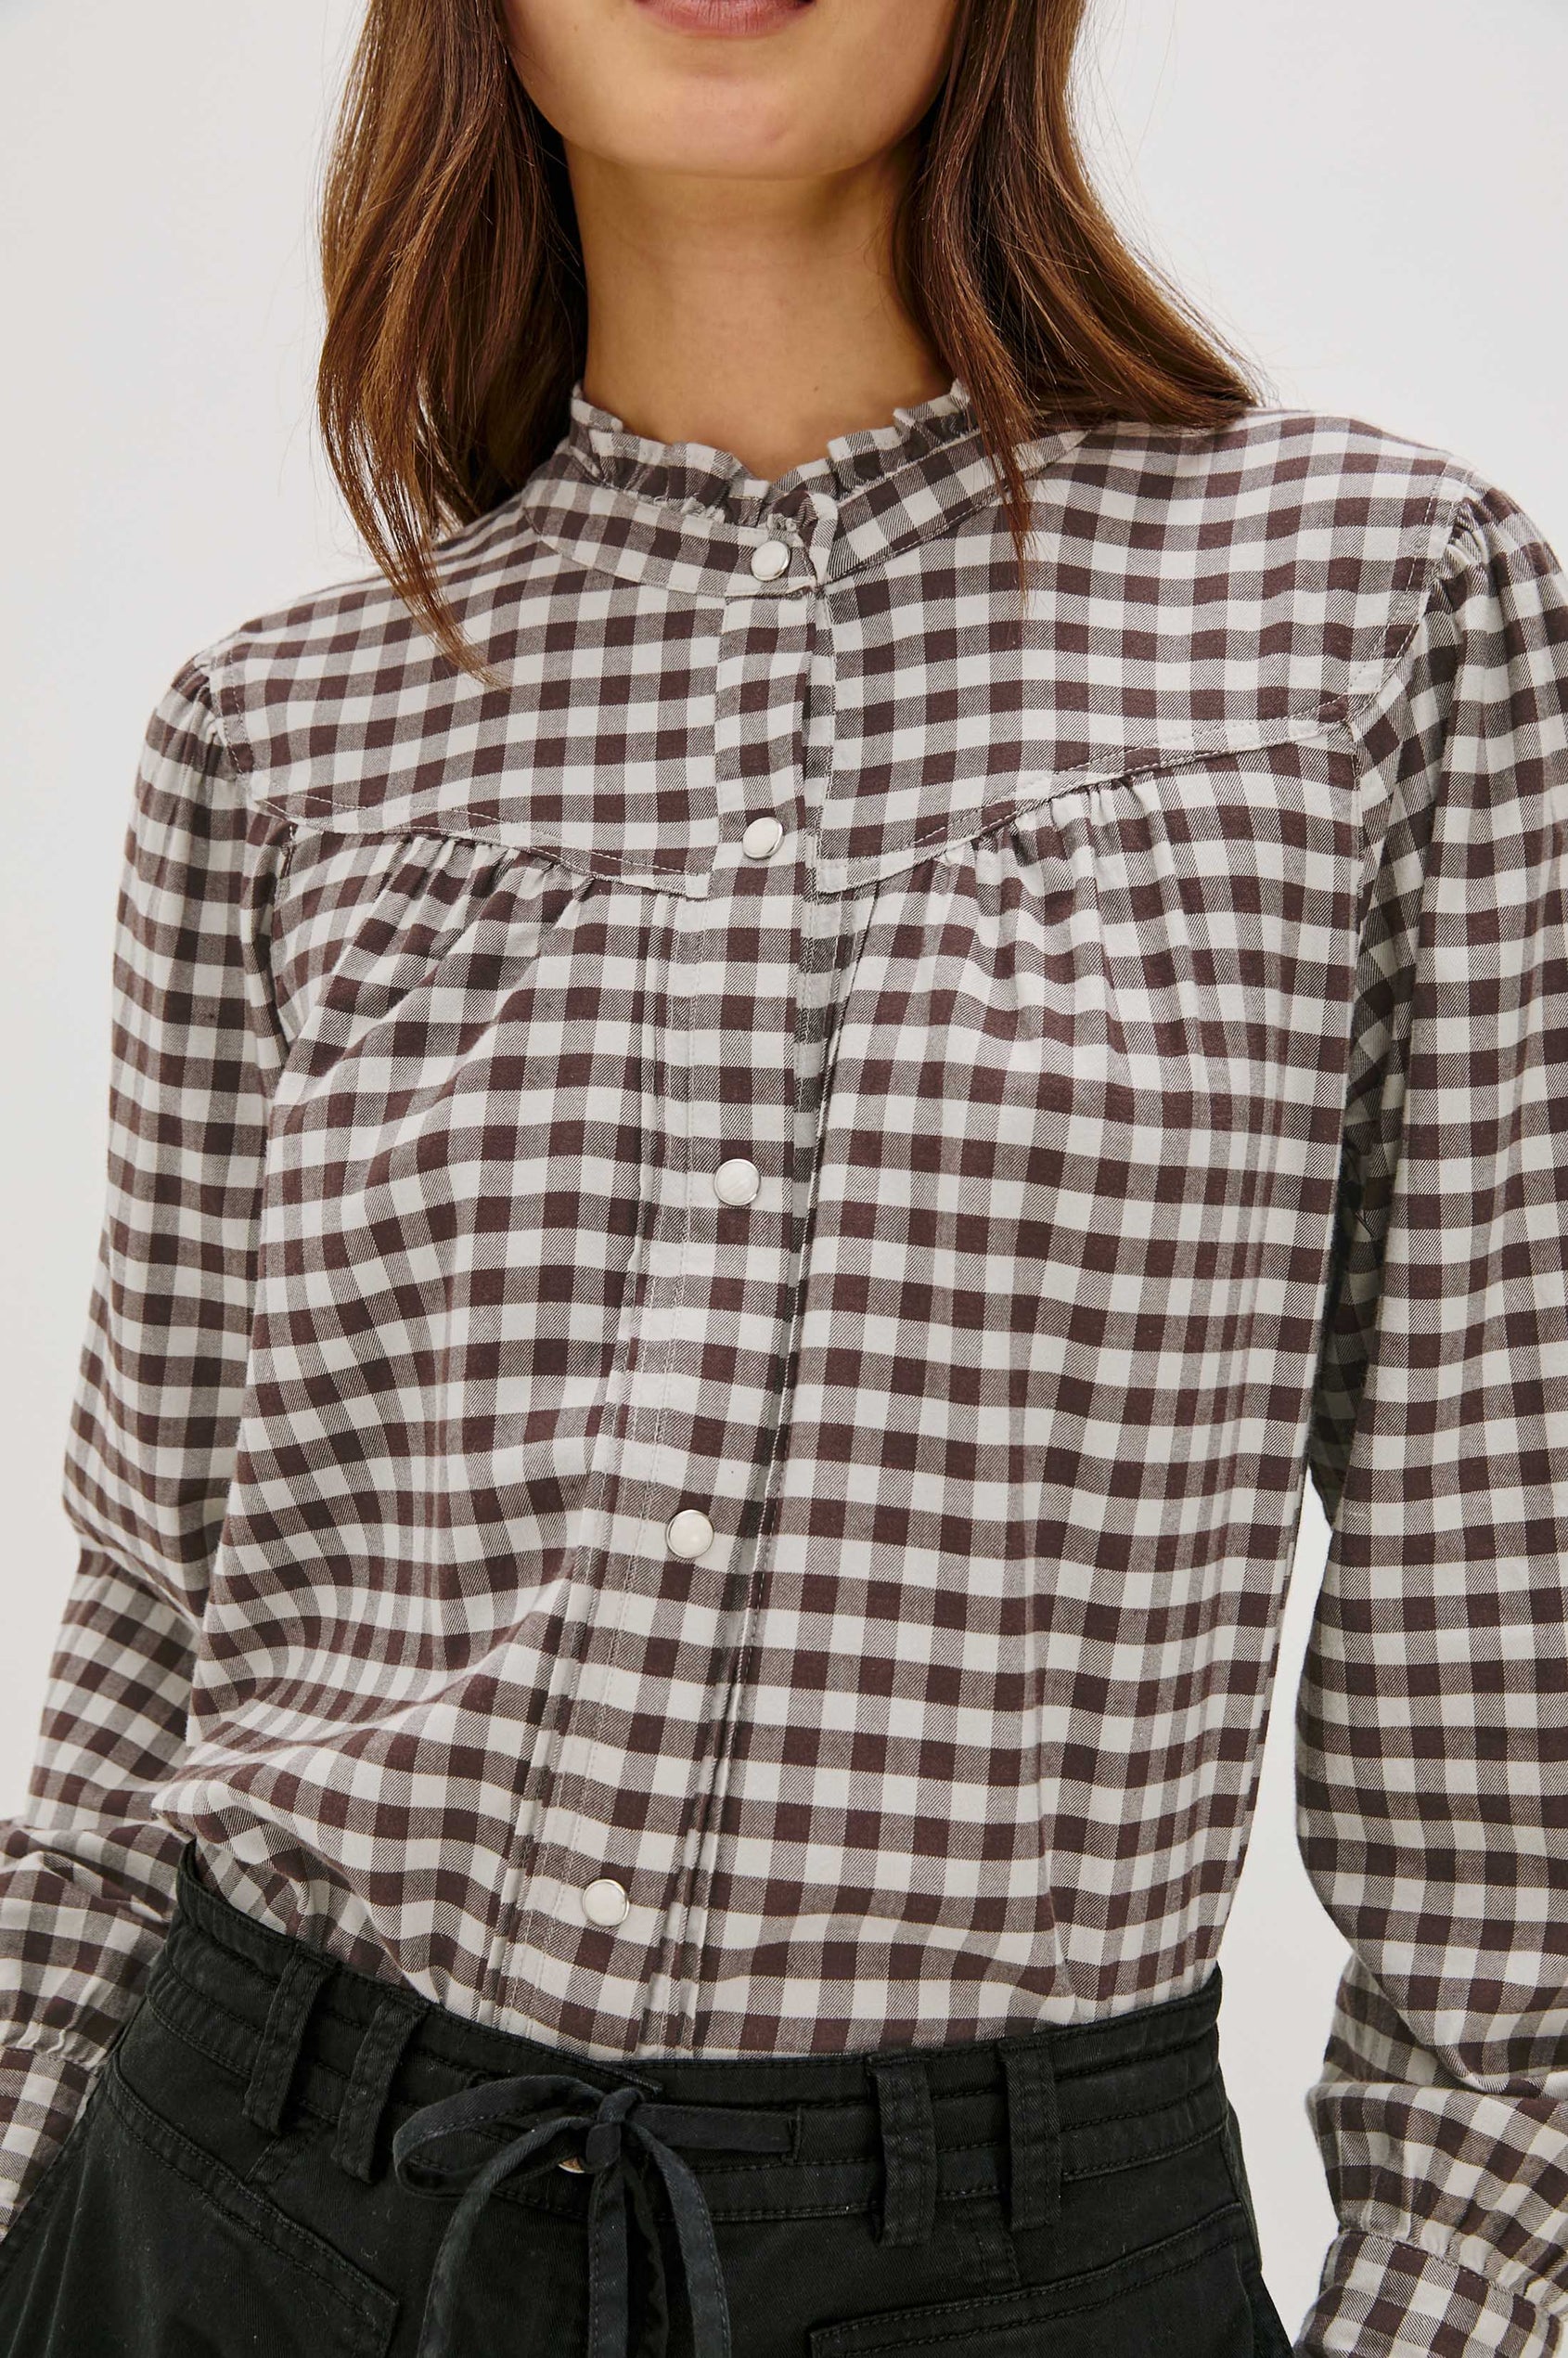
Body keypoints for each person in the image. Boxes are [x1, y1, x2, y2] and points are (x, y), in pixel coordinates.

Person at [1, 0, 1564, 2352]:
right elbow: (151, 1614)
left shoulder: (1372, 617)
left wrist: (1449, 2296)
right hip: (247, 2202)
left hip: (1003, 2263)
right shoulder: (278, 733)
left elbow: (1505, 1613)